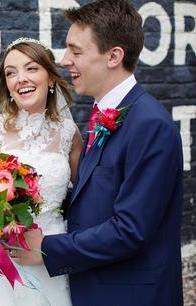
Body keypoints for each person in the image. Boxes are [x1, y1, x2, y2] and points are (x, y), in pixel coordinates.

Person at [14, 1, 184, 306]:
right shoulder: (103, 113)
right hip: (92, 287)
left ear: (113, 56)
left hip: (130, 295)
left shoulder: (150, 125)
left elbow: (131, 230)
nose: (65, 60)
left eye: (76, 51)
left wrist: (47, 248)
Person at [0, 37, 83, 306]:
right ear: (7, 86)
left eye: (31, 68)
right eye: (11, 73)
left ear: (50, 79)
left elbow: (86, 198)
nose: (20, 78)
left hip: (51, 258)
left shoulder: (69, 134)